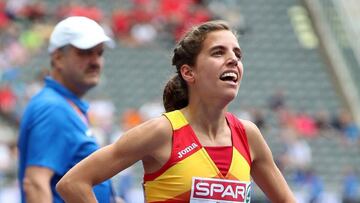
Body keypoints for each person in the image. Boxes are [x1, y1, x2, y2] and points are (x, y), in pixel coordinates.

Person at [56, 20, 296, 202]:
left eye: (237, 54)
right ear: (188, 72)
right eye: (218, 52)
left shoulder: (248, 135)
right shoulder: (163, 131)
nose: (233, 59)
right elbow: (73, 183)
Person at [17, 16, 115, 203]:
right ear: (58, 58)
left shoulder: (63, 105)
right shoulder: (52, 107)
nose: (96, 61)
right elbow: (35, 184)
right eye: (85, 52)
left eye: (100, 53)